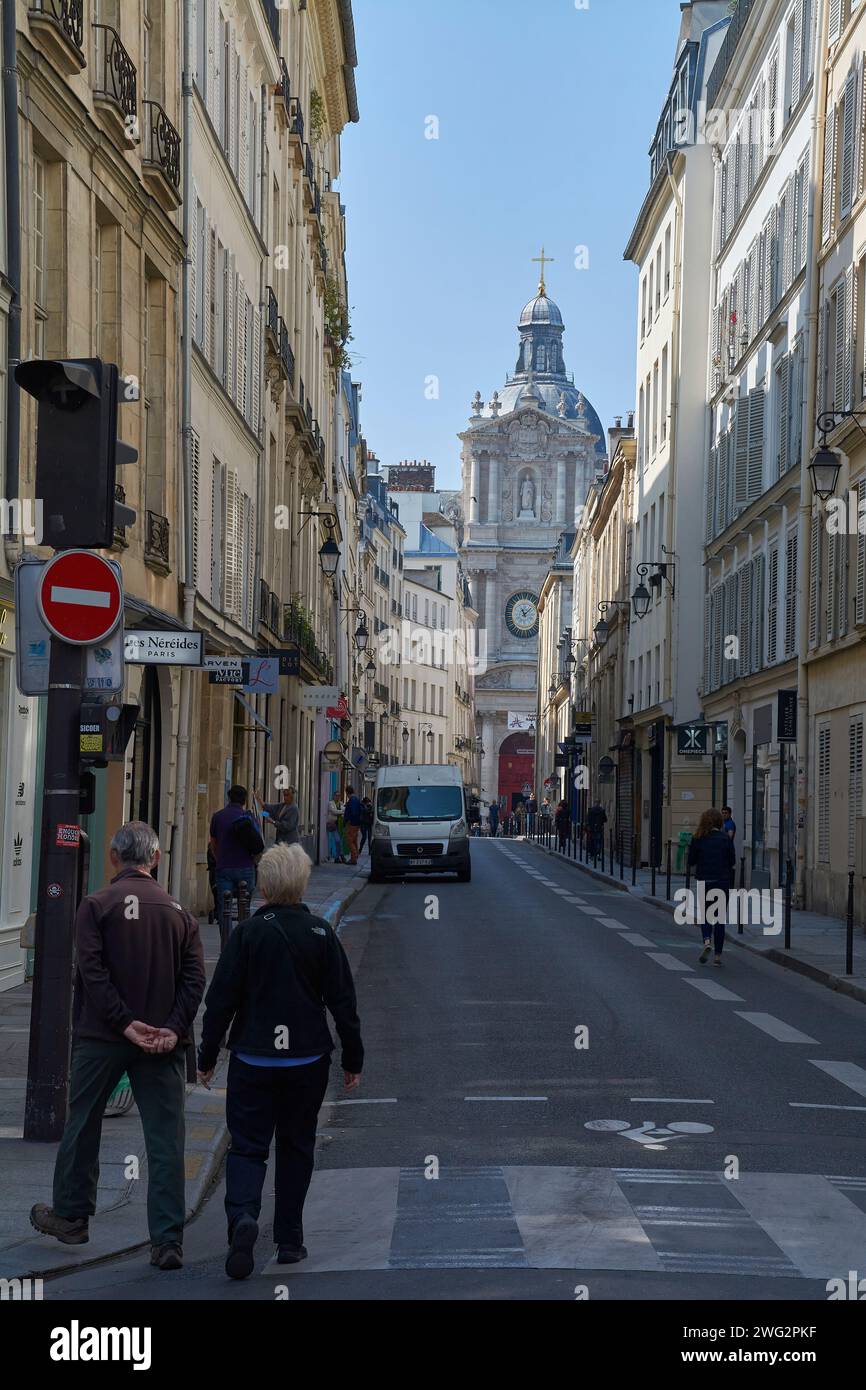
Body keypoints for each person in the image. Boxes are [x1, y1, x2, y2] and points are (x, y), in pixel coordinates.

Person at [30, 823, 205, 1270]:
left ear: (113, 859)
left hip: (102, 1037)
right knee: (166, 1141)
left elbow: (90, 971)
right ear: (157, 858)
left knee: (83, 1123)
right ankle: (167, 1240)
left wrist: (125, 1024)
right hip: (164, 1044)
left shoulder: (95, 905)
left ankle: (71, 1216)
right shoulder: (179, 912)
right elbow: (194, 979)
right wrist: (171, 1028)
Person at [197, 843, 363, 1279]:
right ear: (303, 882)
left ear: (264, 886)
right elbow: (344, 1003)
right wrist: (353, 1057)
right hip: (307, 1060)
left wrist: (207, 1055)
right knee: (296, 1146)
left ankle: (244, 1218)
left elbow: (220, 1002)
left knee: (247, 1146)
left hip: (254, 1058)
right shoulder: (321, 934)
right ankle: (289, 1239)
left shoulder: (247, 934)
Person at [687, 808, 737, 965]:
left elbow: (691, 861)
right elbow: (732, 861)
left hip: (705, 880)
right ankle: (718, 956)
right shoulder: (725, 839)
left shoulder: (698, 838)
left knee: (707, 915)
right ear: (719, 822)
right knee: (720, 919)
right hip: (722, 881)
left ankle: (707, 941)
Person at [210, 786, 260, 911]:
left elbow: (213, 844)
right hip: (245, 866)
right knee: (244, 907)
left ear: (229, 798)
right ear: (244, 800)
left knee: (224, 907)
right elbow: (257, 843)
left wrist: (219, 859)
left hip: (224, 867)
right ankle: (242, 929)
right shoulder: (248, 817)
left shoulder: (217, 817)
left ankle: (225, 930)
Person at [343, 785, 362, 864]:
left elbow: (353, 812)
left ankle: (354, 858)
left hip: (352, 824)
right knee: (354, 841)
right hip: (356, 823)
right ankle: (355, 856)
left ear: (347, 792)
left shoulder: (352, 800)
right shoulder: (356, 799)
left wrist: (348, 820)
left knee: (350, 841)